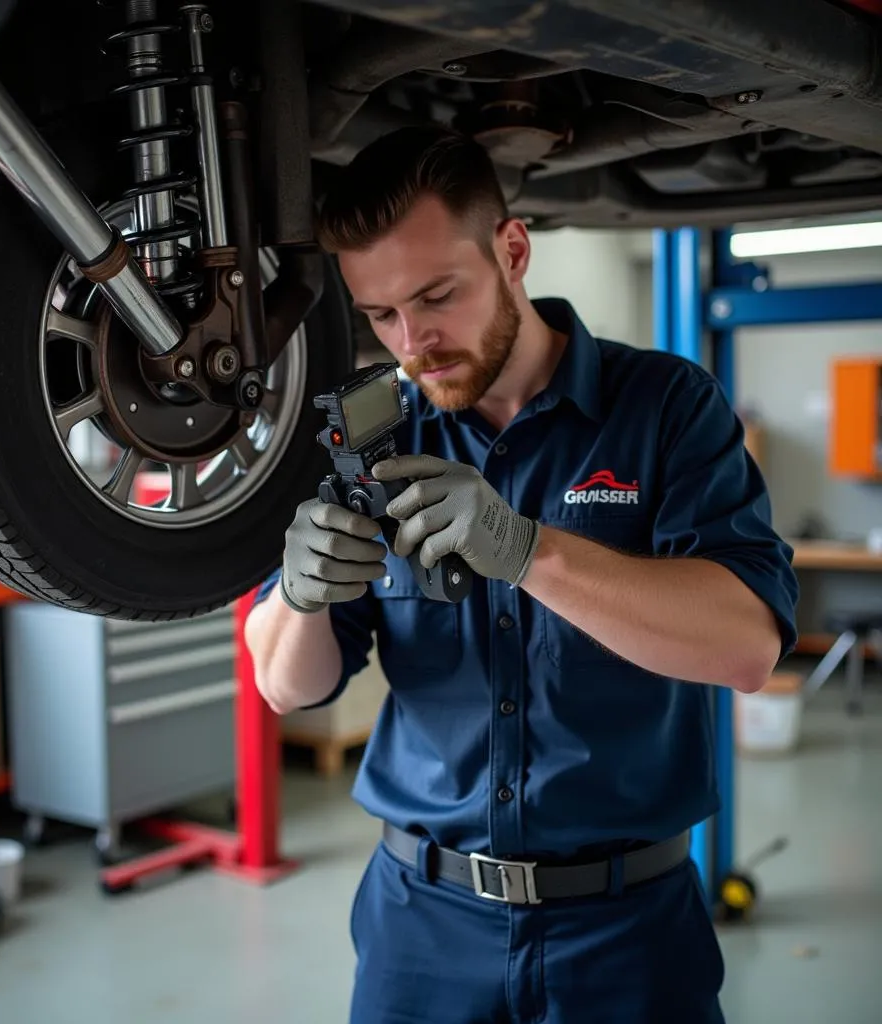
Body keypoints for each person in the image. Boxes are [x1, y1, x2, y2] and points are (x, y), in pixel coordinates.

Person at [243, 125, 799, 1024]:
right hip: (420, 924)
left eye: (436, 296)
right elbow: (284, 685)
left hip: (627, 932)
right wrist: (302, 596)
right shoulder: (384, 440)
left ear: (512, 249)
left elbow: (746, 648)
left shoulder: (664, 407)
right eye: (380, 316)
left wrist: (530, 551)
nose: (412, 343)